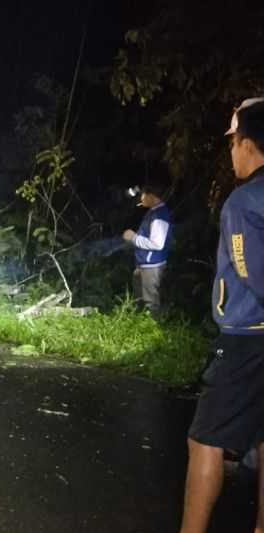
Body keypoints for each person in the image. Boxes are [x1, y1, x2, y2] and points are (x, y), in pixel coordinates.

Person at [180, 97, 264, 533]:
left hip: (247, 338)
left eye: (233, 143)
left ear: (248, 144)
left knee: (205, 439)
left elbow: (253, 271)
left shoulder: (243, 202)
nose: (231, 151)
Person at [122, 180, 173, 313]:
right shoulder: (154, 211)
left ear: (151, 196)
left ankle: (153, 326)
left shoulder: (159, 215)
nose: (140, 198)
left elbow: (157, 244)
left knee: (151, 302)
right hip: (144, 264)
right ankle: (139, 321)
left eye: (142, 195)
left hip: (152, 266)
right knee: (139, 299)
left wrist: (133, 237)